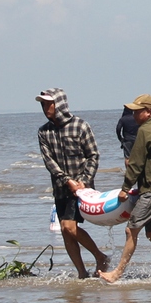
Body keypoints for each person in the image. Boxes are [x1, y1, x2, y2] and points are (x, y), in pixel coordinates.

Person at [101, 95, 151, 282]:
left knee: (131, 230)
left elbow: (135, 164)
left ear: (148, 111)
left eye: (137, 110)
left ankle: (116, 273)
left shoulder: (145, 130)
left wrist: (125, 189)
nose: (134, 114)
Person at [36, 88, 108, 278]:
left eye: (48, 103)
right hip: (61, 187)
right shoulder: (44, 132)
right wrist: (66, 180)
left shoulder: (80, 126)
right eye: (42, 104)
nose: (45, 108)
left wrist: (83, 181)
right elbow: (48, 160)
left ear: (59, 104)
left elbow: (93, 155)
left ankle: (100, 256)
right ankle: (82, 273)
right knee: (66, 231)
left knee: (69, 226)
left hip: (82, 189)